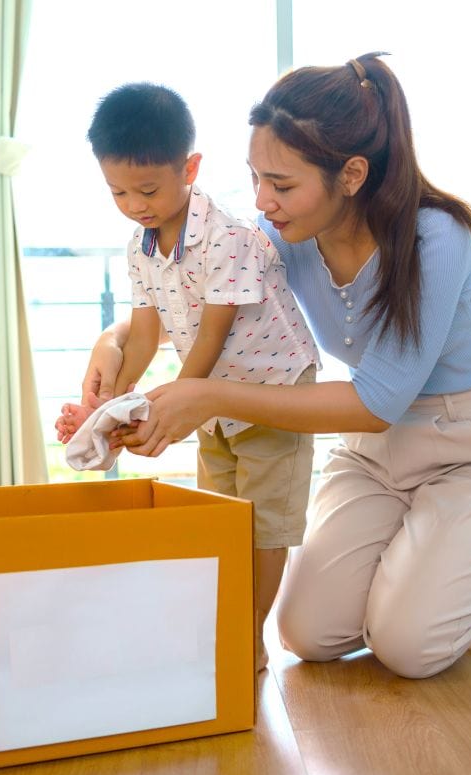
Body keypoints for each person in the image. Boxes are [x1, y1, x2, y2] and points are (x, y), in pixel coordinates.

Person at [83, 54, 471, 680]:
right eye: (254, 179)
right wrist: (110, 346)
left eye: (280, 183)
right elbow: (189, 299)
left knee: (406, 647)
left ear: (351, 174)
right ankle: (442, 545)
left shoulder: (437, 239)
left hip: (469, 445)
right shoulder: (282, 239)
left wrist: (211, 396)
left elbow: (375, 402)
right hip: (376, 458)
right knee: (307, 634)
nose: (262, 202)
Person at [57, 83, 320, 670]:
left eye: (147, 189)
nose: (134, 204)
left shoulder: (224, 237)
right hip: (212, 400)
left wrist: (173, 401)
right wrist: (111, 403)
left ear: (190, 168)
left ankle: (248, 636)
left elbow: (211, 335)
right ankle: (219, 623)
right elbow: (146, 334)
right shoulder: (141, 246)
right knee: (221, 515)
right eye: (118, 192)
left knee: (265, 524)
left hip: (274, 389)